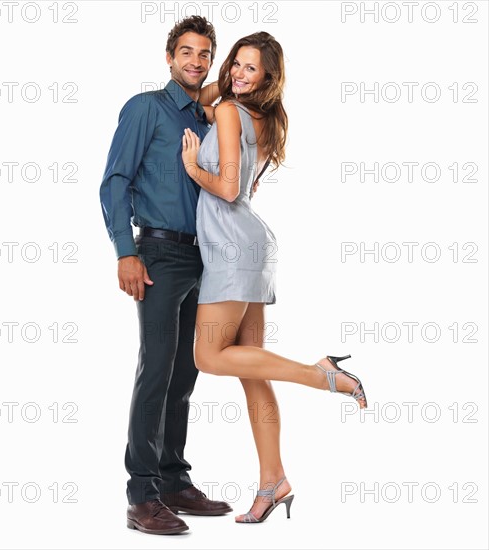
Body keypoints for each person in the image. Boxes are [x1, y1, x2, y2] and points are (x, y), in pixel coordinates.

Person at [181, 31, 368, 524]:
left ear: (268, 76)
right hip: (252, 242)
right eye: (235, 64)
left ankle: (323, 374)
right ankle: (273, 481)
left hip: (231, 245)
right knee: (252, 369)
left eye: (251, 68)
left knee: (208, 355)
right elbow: (202, 95)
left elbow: (226, 185)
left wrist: (190, 166)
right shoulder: (264, 118)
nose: (239, 73)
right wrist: (213, 82)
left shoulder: (226, 112)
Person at [99, 16, 233, 536]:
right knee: (156, 369)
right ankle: (142, 495)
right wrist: (124, 252)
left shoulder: (210, 121)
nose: (196, 62)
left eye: (205, 54)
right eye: (186, 52)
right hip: (156, 253)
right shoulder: (145, 110)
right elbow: (114, 182)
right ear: (169, 57)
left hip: (207, 258)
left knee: (186, 375)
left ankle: (175, 480)